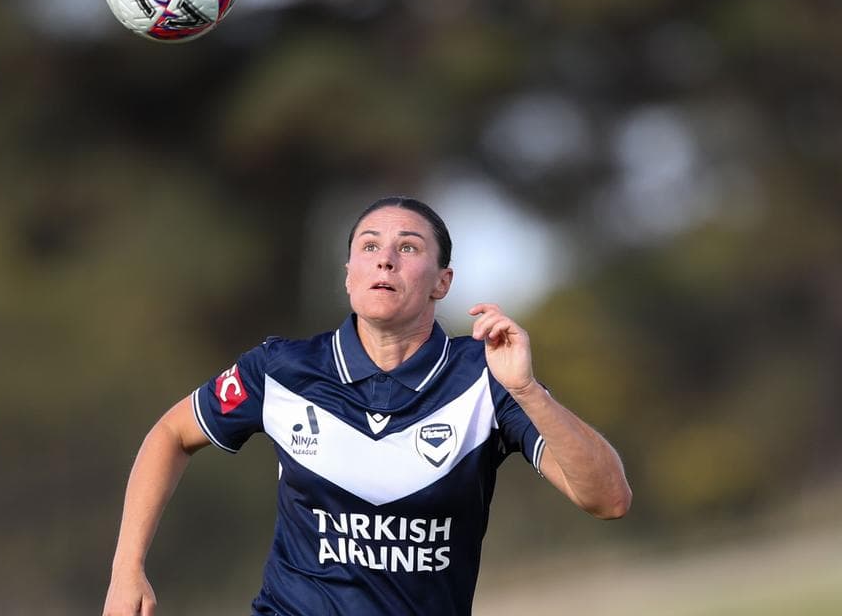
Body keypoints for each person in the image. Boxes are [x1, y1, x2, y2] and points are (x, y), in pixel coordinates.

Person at [102, 196, 632, 616]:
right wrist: (127, 568)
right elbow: (169, 436)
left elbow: (608, 499)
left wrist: (527, 391)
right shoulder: (280, 370)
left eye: (408, 248)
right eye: (369, 245)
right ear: (349, 274)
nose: (385, 257)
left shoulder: (487, 379)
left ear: (441, 283)